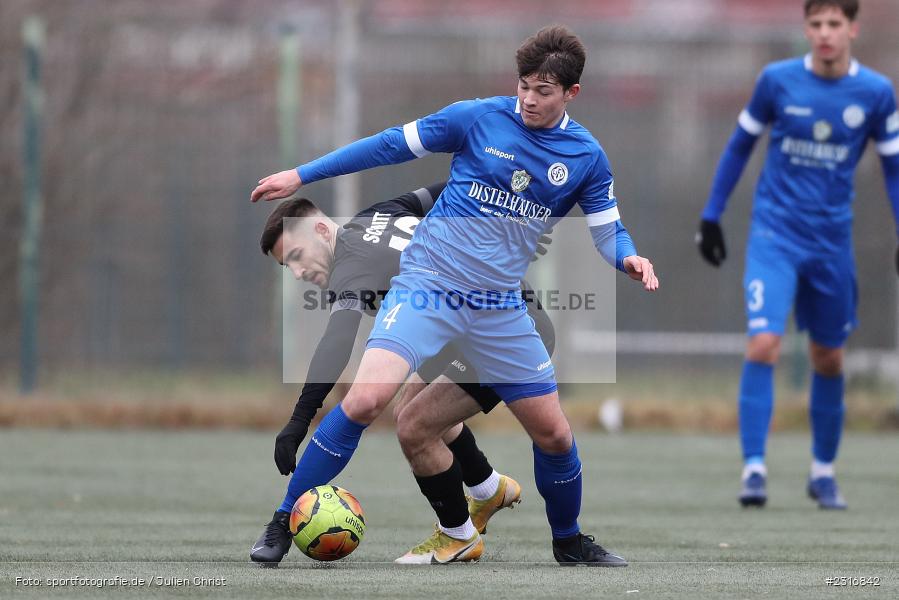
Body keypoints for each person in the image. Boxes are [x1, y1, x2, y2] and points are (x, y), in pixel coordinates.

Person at [251, 24, 658, 565]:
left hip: (500, 308)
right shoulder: (477, 118)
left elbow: (608, 230)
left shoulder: (586, 157)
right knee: (367, 400)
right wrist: (302, 174)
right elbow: (389, 145)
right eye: (523, 86)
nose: (528, 99)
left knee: (555, 436)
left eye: (543, 91)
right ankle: (282, 521)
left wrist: (627, 257)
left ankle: (568, 542)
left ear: (571, 93)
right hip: (428, 287)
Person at [250, 182, 556, 565]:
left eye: (296, 256)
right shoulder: (376, 214)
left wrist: (299, 419)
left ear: (323, 230)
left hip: (505, 332)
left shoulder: (351, 266)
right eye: (287, 265)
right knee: (411, 406)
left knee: (410, 422)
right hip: (463, 328)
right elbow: (454, 187)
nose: (296, 272)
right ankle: (487, 488)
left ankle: (457, 535)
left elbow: (336, 342)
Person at [696, 0, 899, 510]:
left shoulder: (876, 93)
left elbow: (894, 170)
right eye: (816, 24)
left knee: (828, 357)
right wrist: (712, 214)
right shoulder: (777, 81)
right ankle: (754, 469)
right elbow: (739, 146)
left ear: (852, 28)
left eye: (834, 24)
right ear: (806, 29)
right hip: (775, 237)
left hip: (832, 244)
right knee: (764, 342)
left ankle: (823, 473)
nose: (825, 33)